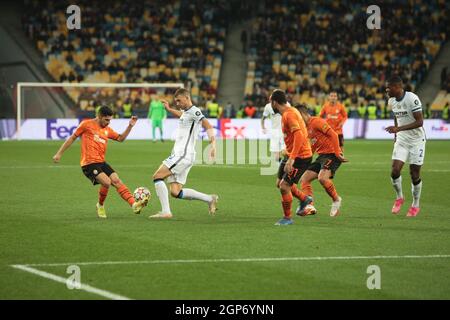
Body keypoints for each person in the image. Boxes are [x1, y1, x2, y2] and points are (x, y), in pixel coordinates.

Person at [52, 106, 147, 218]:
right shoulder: (86, 124)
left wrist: (130, 126)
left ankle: (134, 204)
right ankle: (100, 205)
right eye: (106, 120)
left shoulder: (107, 130)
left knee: (116, 180)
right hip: (88, 163)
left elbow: (121, 138)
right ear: (99, 116)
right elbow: (72, 138)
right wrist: (59, 153)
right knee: (106, 182)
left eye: (110, 120)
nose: (108, 122)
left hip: (101, 162)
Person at [150, 88, 219, 219]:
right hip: (183, 155)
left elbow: (208, 125)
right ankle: (210, 199)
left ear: (187, 98)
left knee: (157, 176)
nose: (177, 103)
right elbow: (182, 115)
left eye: (179, 100)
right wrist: (169, 110)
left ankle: (166, 212)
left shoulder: (195, 111)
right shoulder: (186, 112)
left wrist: (213, 144)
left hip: (183, 154)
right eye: (176, 101)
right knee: (175, 192)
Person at [269, 89, 316, 226]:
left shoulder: (289, 115)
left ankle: (287, 218)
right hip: (291, 154)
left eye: (270, 102)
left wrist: (292, 159)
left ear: (274, 102)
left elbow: (299, 135)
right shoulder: (289, 112)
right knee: (280, 183)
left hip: (300, 157)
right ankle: (304, 199)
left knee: (284, 186)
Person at [295, 103, 348, 217]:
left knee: (322, 178)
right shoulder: (305, 128)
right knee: (304, 179)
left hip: (332, 154)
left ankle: (336, 200)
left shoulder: (316, 122)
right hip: (322, 156)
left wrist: (337, 152)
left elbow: (333, 134)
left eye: (298, 117)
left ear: (303, 114)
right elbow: (312, 146)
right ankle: (310, 205)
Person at [385, 76, 426, 217]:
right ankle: (399, 198)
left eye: (388, 87)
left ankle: (415, 204)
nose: (386, 90)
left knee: (414, 174)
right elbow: (396, 116)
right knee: (395, 171)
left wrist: (398, 129)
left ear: (397, 87)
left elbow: (420, 122)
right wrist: (396, 134)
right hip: (402, 139)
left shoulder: (411, 98)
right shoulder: (391, 100)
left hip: (416, 140)